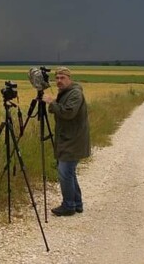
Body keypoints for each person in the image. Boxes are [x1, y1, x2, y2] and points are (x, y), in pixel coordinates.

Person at [44, 66, 90, 216]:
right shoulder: (65, 93)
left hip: (73, 140)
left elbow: (68, 113)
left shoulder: (75, 94)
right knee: (69, 172)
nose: (59, 81)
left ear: (70, 78)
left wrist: (52, 103)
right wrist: (54, 104)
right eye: (57, 78)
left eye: (62, 78)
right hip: (68, 138)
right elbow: (57, 110)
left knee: (65, 172)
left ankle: (68, 206)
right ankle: (77, 203)